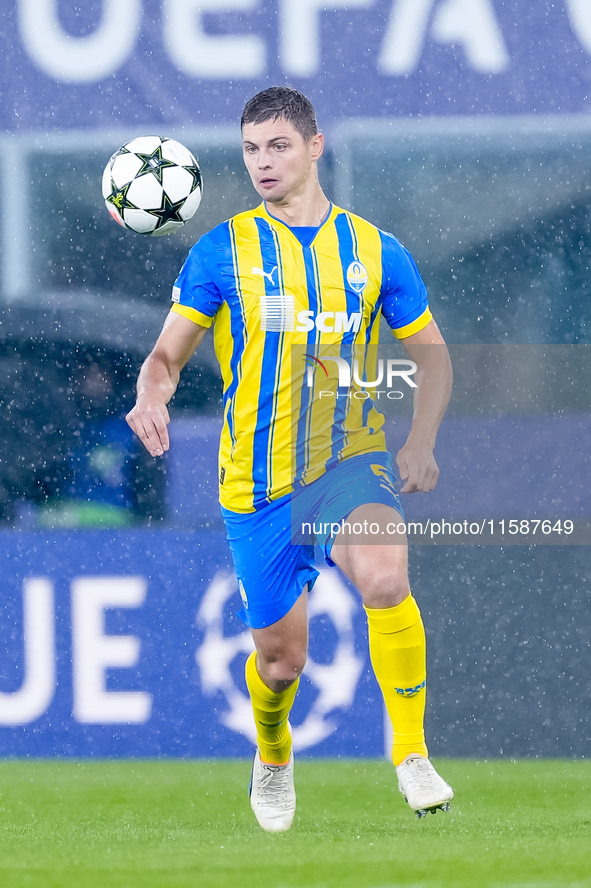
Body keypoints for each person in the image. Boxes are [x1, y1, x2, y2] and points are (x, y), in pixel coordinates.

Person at [126, 86, 454, 831]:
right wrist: (153, 396)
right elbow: (164, 358)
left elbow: (431, 359)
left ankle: (409, 752)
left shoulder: (376, 250)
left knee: (383, 575)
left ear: (314, 147)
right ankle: (273, 753)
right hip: (258, 483)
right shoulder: (223, 250)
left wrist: (421, 439)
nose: (261, 162)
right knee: (282, 663)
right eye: (249, 149)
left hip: (351, 462)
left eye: (277, 145)